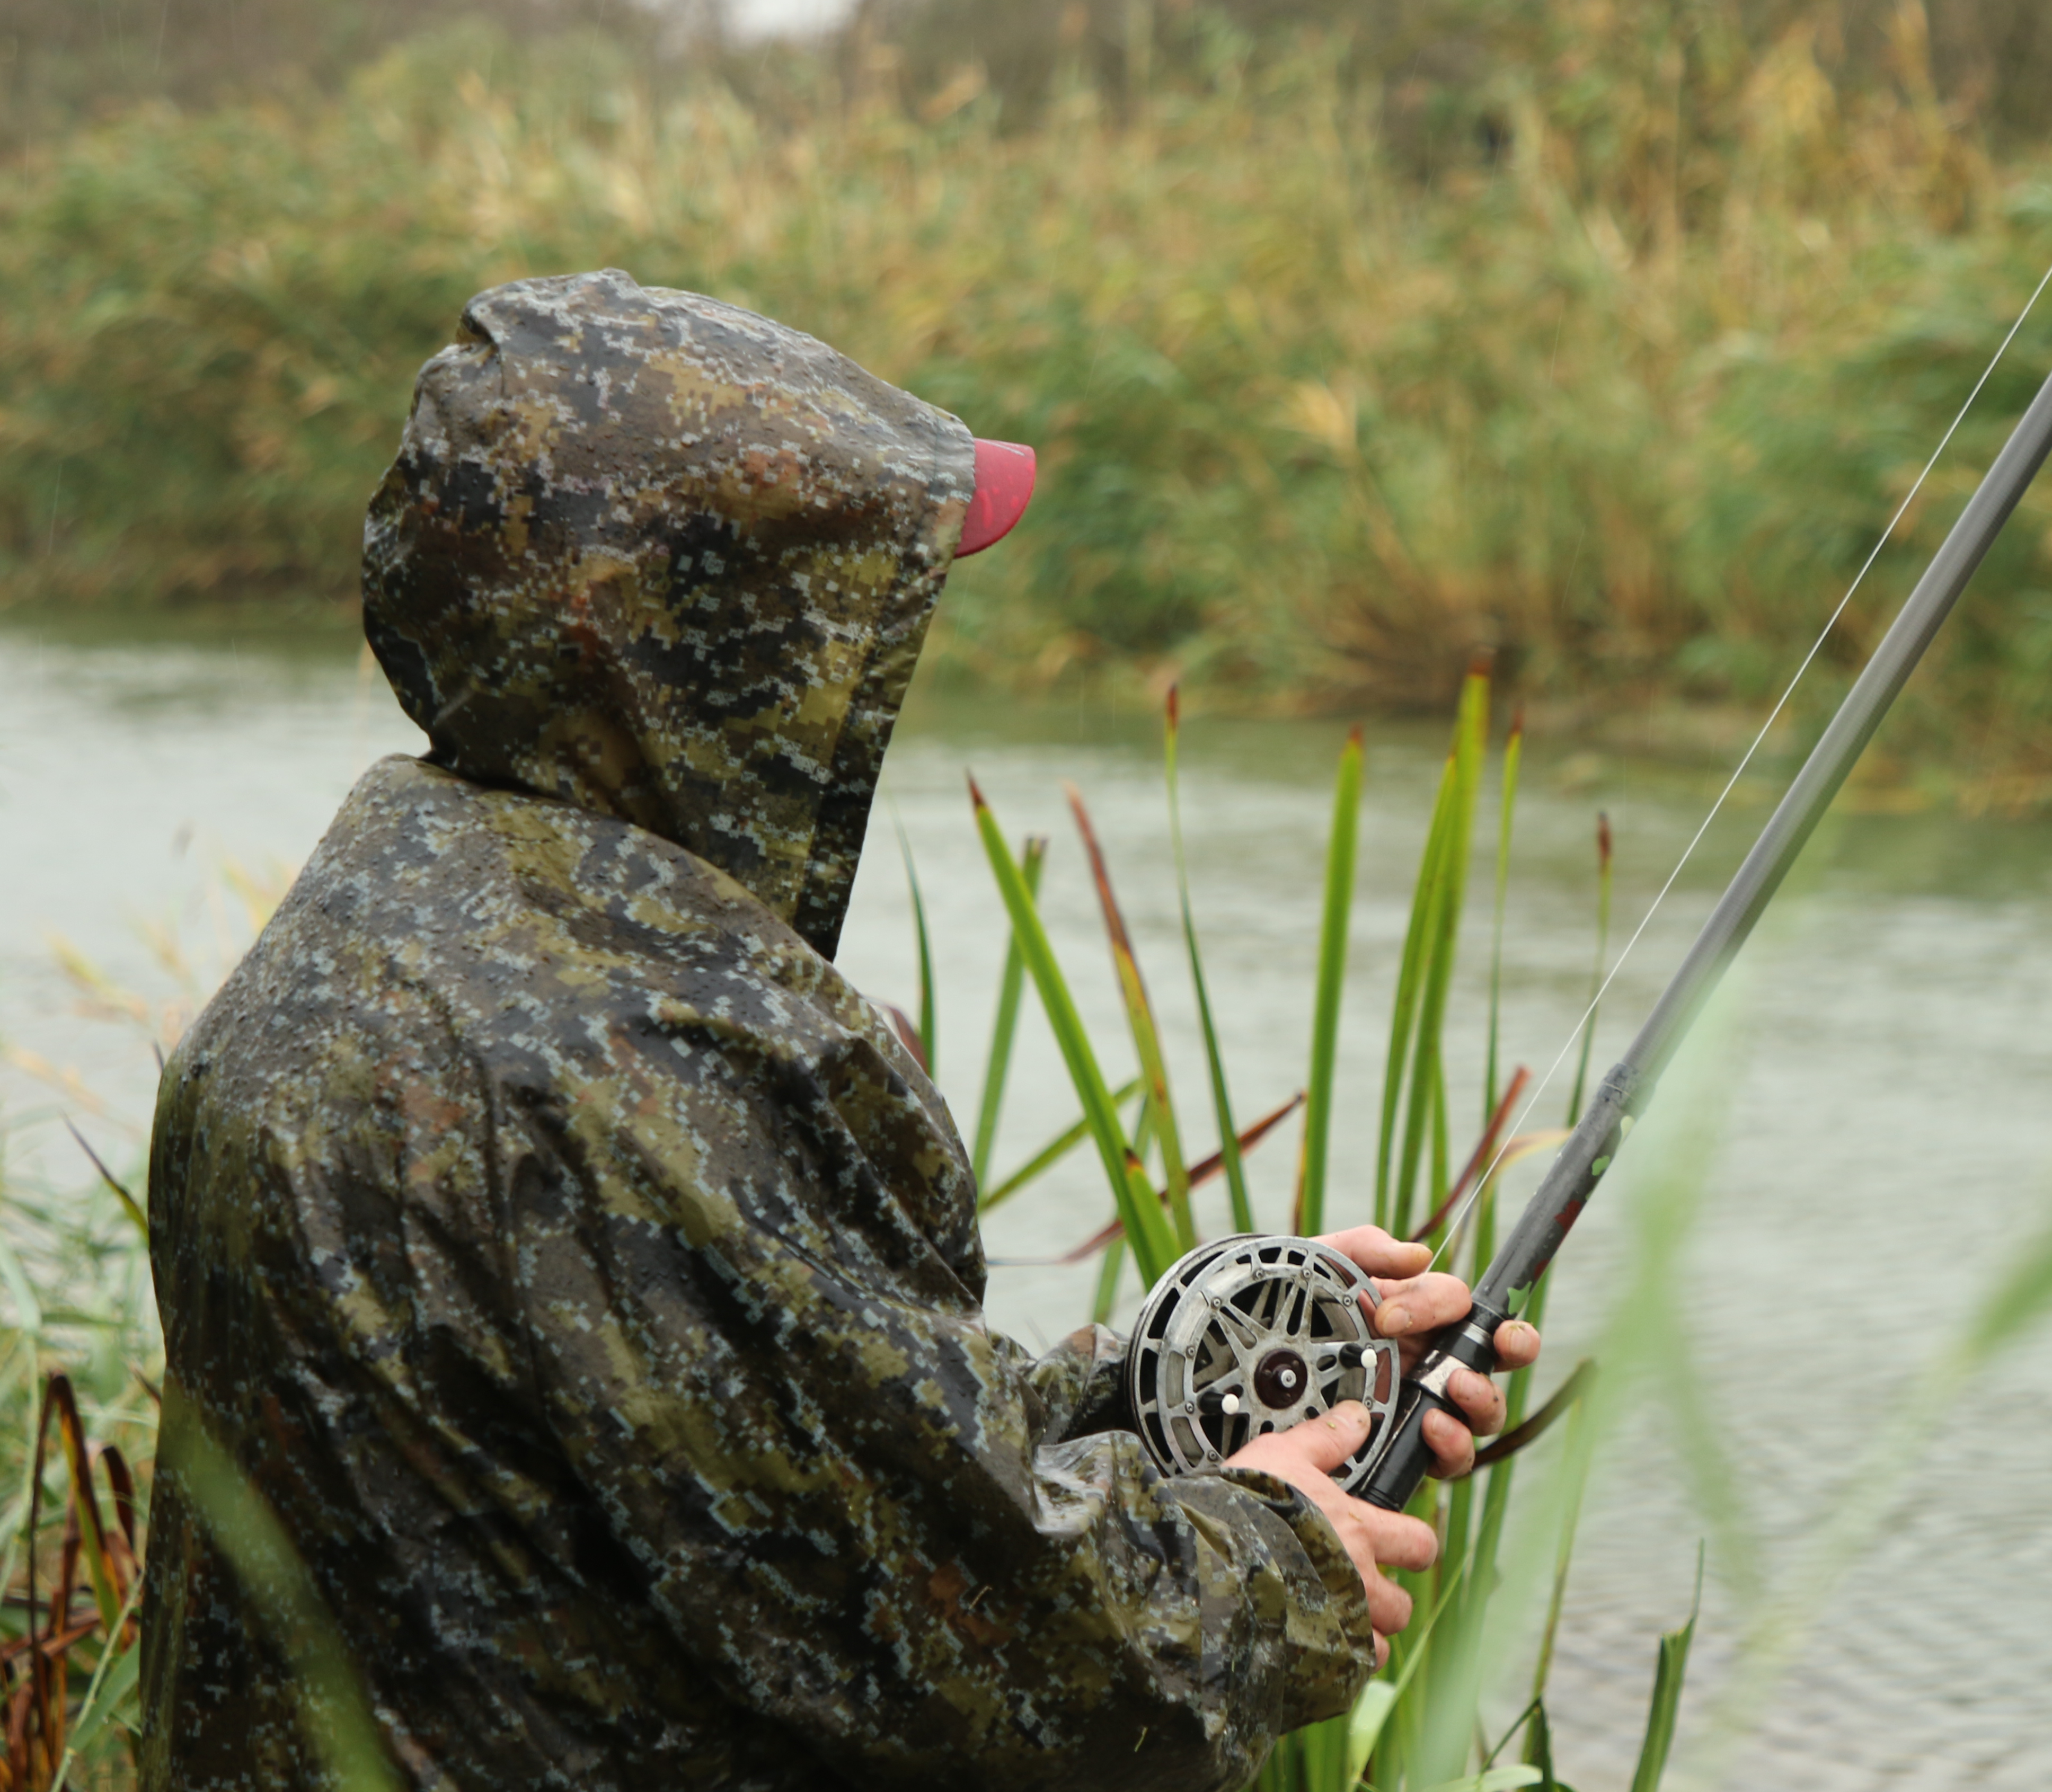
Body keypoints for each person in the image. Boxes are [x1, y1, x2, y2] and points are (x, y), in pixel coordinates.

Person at [141, 269, 1539, 1791]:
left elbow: (759, 1444)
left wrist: (1173, 1380)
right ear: (707, 637)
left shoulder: (368, 938)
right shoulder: (635, 1069)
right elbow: (1004, 1667)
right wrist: (1271, 1561)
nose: (895, 646)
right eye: (858, 598)